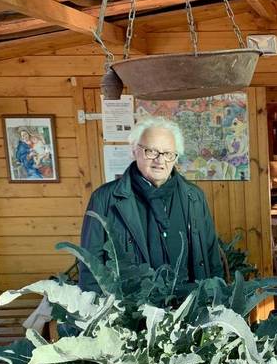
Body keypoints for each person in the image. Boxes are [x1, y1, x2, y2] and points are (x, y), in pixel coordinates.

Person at [78, 116, 223, 293]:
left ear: (175, 157)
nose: (160, 160)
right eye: (151, 151)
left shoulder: (194, 197)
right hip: (130, 312)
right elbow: (91, 266)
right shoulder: (104, 199)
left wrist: (217, 300)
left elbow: (211, 256)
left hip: (189, 308)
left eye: (168, 154)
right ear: (134, 151)